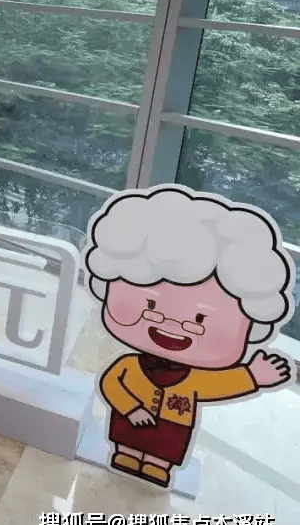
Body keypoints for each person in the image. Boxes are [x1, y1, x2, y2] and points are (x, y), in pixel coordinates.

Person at [83, 185, 294, 489]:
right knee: (128, 445)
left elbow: (220, 383)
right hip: (128, 421)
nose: (172, 323)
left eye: (200, 318)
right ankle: (126, 455)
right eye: (151, 304)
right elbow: (111, 384)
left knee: (162, 452)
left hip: (173, 428)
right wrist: (130, 408)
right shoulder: (128, 365)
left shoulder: (195, 380)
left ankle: (158, 466)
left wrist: (253, 376)